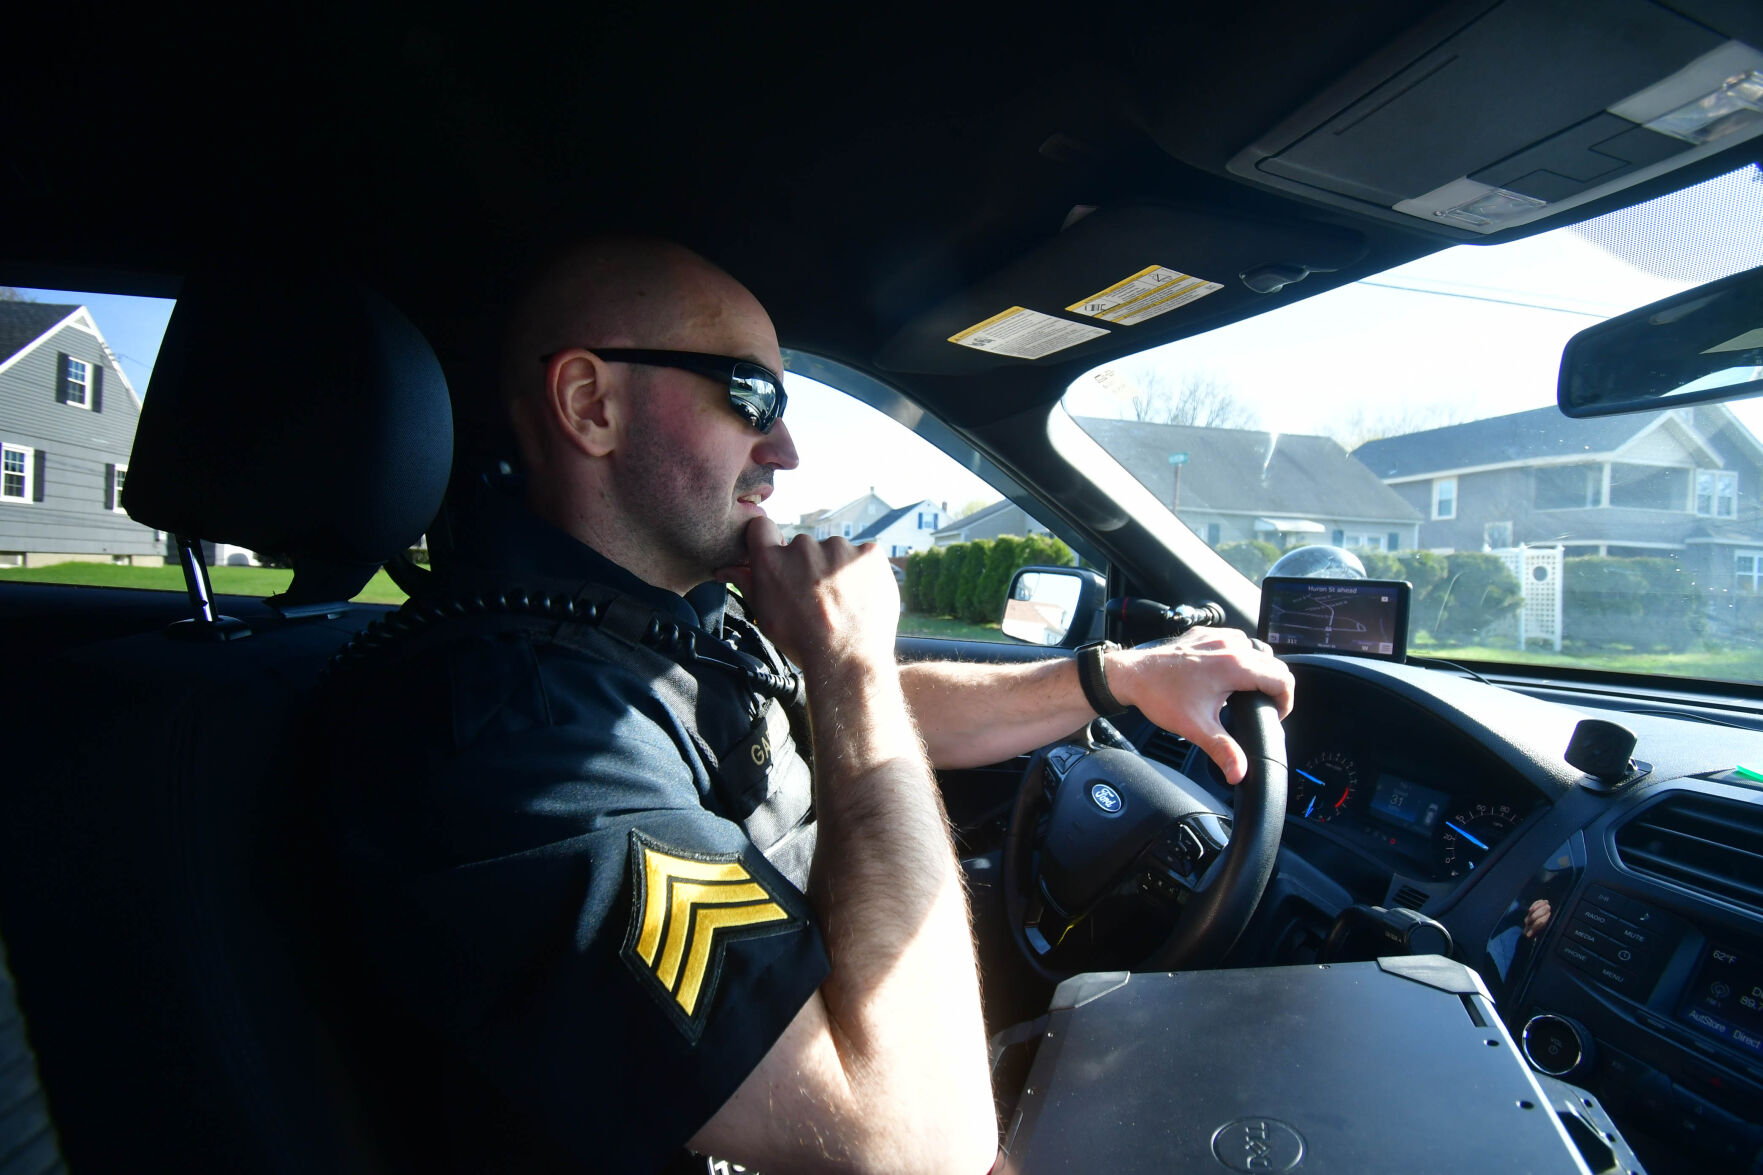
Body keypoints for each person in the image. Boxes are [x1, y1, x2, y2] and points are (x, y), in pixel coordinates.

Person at [319, 236, 1294, 1174]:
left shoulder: (656, 625)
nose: (784, 448)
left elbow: (812, 719)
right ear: (588, 403)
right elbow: (907, 1142)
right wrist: (850, 663)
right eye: (751, 397)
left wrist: (1109, 677)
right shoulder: (522, 739)